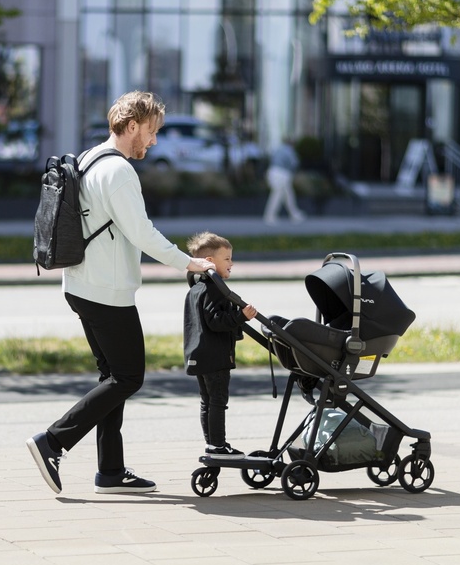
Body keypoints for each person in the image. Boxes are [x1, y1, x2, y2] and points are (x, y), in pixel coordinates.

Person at [26, 91, 216, 495]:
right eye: (151, 131)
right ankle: (53, 441)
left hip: (79, 284)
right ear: (132, 126)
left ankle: (111, 472)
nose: (154, 141)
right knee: (129, 377)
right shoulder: (119, 172)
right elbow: (142, 233)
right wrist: (190, 262)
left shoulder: (90, 157)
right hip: (106, 292)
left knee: (112, 377)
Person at [183, 232, 257, 460]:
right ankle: (218, 445)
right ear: (210, 262)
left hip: (199, 354)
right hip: (215, 356)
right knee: (217, 402)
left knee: (207, 402)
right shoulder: (215, 288)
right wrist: (241, 317)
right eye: (227, 259)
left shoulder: (196, 288)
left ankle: (212, 444)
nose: (231, 263)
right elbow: (216, 321)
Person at [263, 137, 305, 224]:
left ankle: (294, 214)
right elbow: (295, 163)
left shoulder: (278, 149)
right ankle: (270, 216)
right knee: (278, 195)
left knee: (288, 195)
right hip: (282, 174)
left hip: (273, 172)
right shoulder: (289, 150)